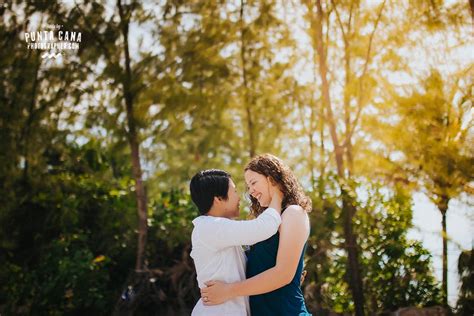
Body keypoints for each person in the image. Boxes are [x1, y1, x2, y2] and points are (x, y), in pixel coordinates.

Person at [201, 154, 312, 315]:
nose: (251, 191)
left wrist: (228, 291)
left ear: (271, 179)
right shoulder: (266, 224)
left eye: (254, 183)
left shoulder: (293, 213)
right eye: (248, 186)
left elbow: (283, 274)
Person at [189, 169, 284, 316]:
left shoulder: (217, 230)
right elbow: (263, 227)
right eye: (234, 191)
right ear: (218, 199)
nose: (239, 198)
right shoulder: (209, 227)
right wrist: (278, 194)